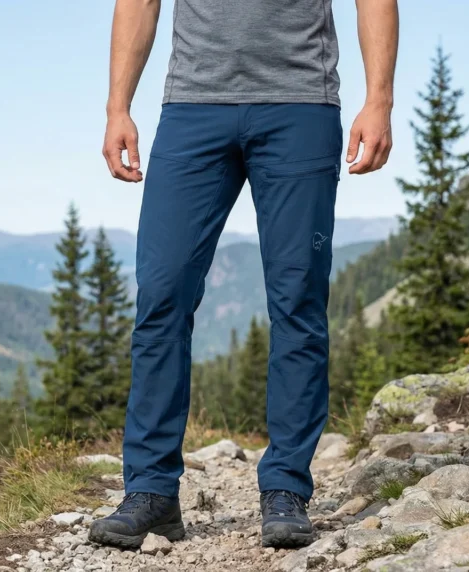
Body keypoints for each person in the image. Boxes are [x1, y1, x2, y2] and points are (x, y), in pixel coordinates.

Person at [90, 0, 398, 551]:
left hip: (301, 105)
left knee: (298, 300)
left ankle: (285, 489)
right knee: (161, 296)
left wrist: (379, 99)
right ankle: (152, 492)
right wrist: (118, 107)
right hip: (191, 109)